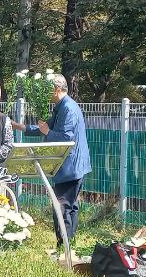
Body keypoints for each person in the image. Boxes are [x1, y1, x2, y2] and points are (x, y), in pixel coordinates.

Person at [11, 74, 90, 248]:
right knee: (70, 206)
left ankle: (64, 247)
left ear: (56, 89)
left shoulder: (68, 108)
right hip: (73, 166)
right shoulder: (61, 106)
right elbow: (45, 128)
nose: (44, 93)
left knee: (61, 207)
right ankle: (69, 244)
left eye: (47, 89)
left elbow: (66, 138)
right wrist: (19, 126)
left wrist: (47, 132)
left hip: (70, 167)